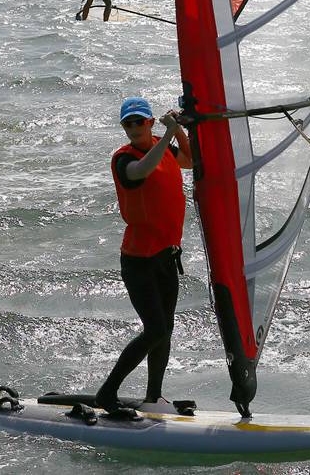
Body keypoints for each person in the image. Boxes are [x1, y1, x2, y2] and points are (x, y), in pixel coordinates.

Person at [95, 97, 193, 415]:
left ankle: (154, 397)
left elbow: (191, 162)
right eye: (128, 124)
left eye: (140, 121)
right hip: (138, 261)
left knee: (166, 328)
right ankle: (107, 394)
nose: (134, 128)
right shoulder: (123, 159)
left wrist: (178, 132)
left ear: (150, 121)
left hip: (167, 256)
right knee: (156, 329)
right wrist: (167, 135)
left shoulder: (164, 146)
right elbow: (142, 170)